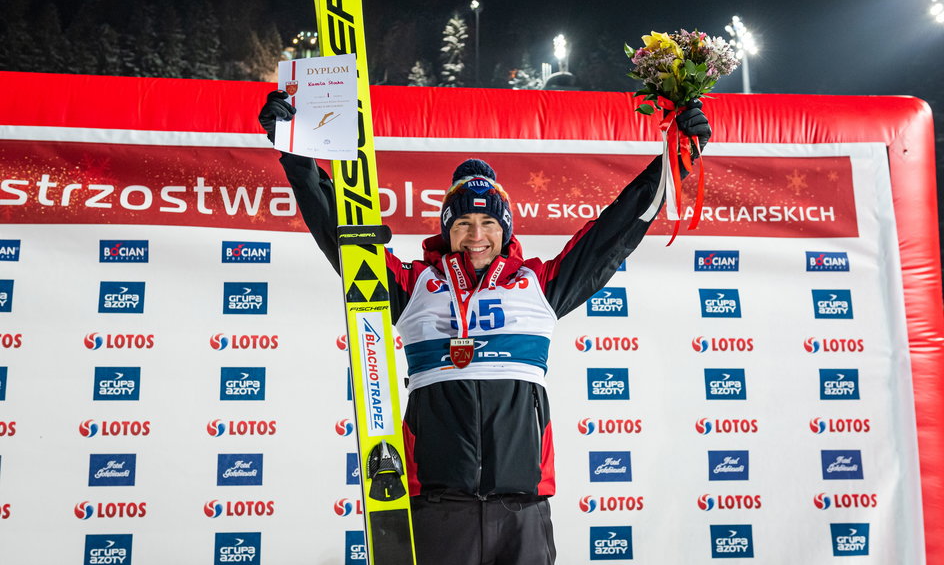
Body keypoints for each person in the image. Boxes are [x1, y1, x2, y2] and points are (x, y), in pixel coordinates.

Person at [258, 91, 711, 565]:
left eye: (489, 223)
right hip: (437, 508)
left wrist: (675, 162)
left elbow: (614, 232)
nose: (476, 235)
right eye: (464, 223)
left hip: (522, 510)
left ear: (506, 230)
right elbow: (341, 235)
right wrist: (296, 156)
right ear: (447, 229)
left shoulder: (540, 284)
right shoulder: (412, 285)